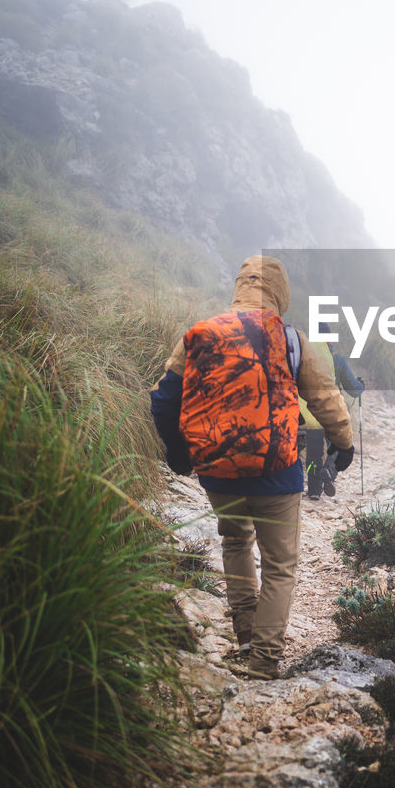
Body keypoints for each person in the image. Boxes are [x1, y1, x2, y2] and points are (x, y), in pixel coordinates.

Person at [150, 255, 354, 679]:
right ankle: (263, 660)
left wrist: (178, 451)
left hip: (216, 470)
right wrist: (344, 445)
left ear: (239, 285)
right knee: (280, 564)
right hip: (276, 473)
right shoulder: (291, 339)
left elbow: (165, 396)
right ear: (281, 292)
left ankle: (244, 636)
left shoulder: (200, 334)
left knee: (235, 543)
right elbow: (325, 399)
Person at [299, 322, 364, 500]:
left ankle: (313, 490)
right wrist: (361, 386)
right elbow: (354, 390)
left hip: (308, 413)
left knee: (313, 454)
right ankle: (329, 470)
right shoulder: (337, 360)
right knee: (336, 447)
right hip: (330, 413)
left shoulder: (303, 358)